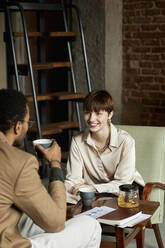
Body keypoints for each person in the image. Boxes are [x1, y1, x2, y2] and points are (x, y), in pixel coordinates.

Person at [0, 88, 101, 248]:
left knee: (32, 215)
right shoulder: (20, 162)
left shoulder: (124, 140)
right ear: (17, 127)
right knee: (91, 225)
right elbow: (56, 223)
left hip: (6, 228)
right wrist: (55, 163)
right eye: (28, 122)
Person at [65, 90, 145, 204]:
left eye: (98, 113)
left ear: (110, 114)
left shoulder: (126, 141)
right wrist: (61, 189)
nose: (91, 119)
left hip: (126, 191)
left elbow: (123, 182)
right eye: (87, 112)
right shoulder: (77, 141)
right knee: (61, 197)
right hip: (93, 192)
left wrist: (93, 188)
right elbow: (73, 179)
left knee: (91, 202)